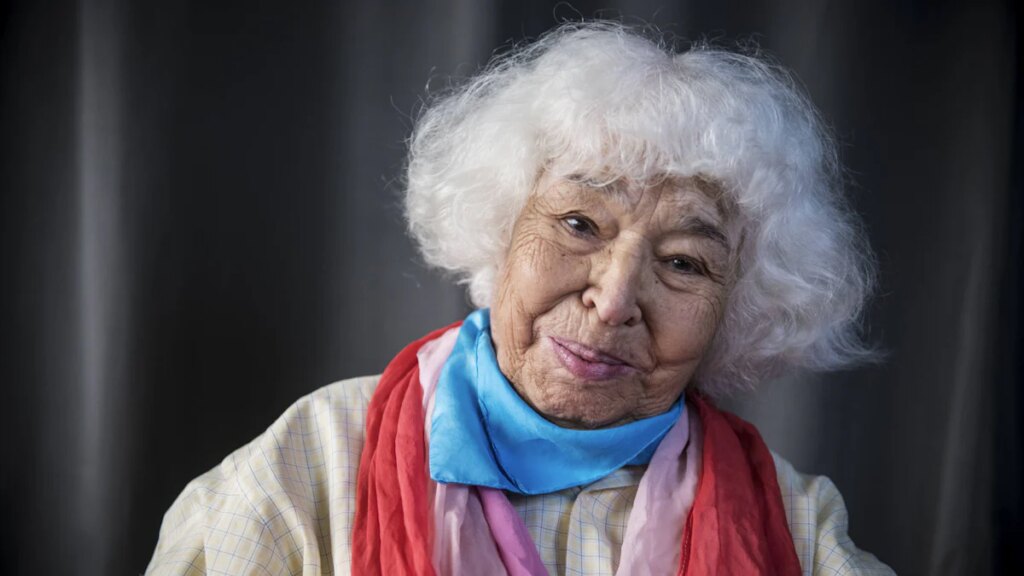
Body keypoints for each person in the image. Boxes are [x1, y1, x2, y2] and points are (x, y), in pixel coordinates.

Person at [147, 22, 895, 576]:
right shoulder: (314, 458)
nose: (613, 300)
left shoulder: (795, 522)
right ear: (501, 228)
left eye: (683, 263)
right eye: (579, 224)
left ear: (737, 305)